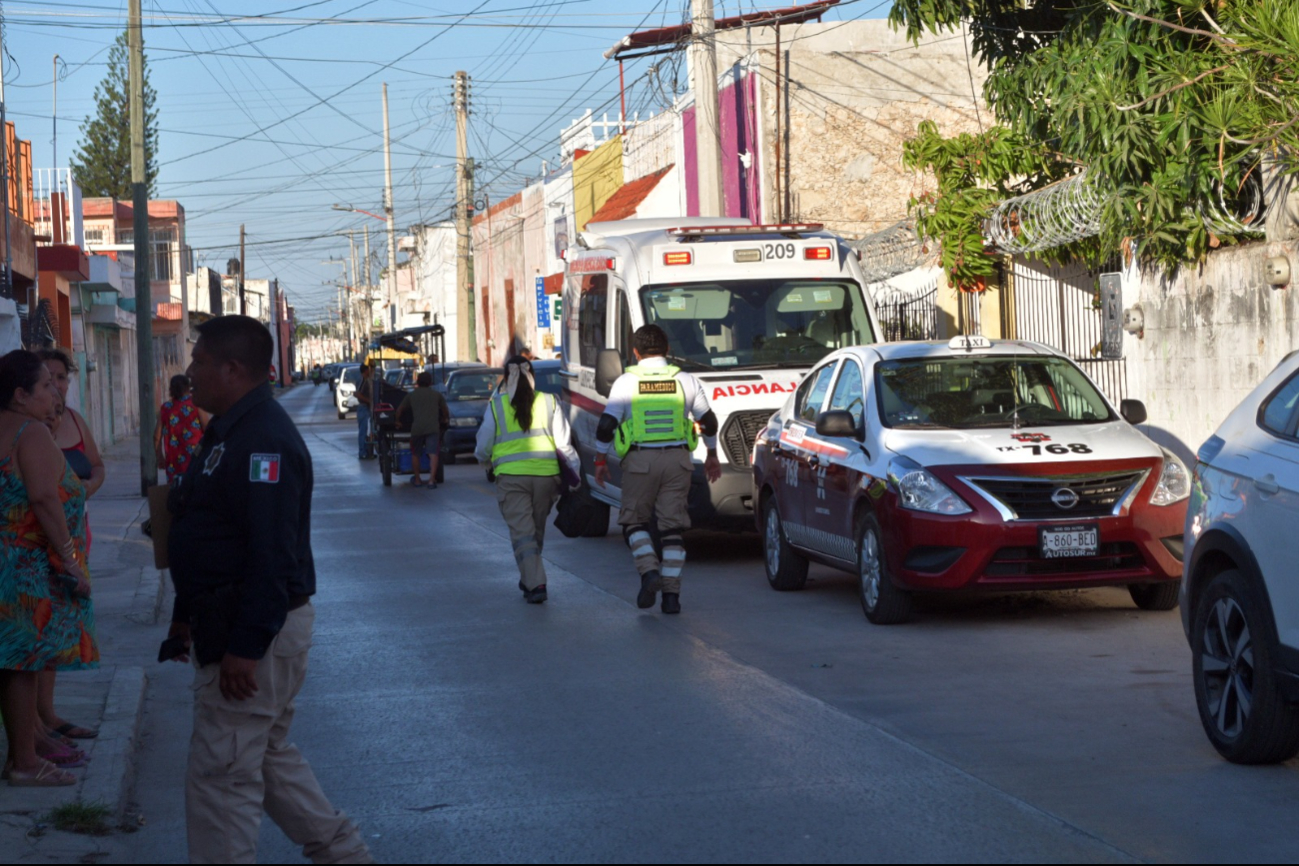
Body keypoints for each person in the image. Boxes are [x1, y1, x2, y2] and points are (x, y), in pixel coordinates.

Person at [164, 316, 372, 864]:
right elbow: (206, 530)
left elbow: (271, 555)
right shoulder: (228, 430)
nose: (191, 371)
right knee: (263, 755)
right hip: (228, 620)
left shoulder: (264, 441)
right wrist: (184, 615)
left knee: (222, 776)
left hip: (253, 629)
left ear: (232, 370)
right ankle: (343, 854)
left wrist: (247, 645)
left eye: (200, 361)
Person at [0, 350, 96, 787]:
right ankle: (24, 761)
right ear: (20, 395)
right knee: (20, 665)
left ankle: (28, 746)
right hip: (21, 569)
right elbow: (43, 498)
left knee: (11, 665)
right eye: (44, 386)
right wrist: (70, 559)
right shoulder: (29, 431)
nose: (54, 392)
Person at [594, 325, 721, 615]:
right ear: (667, 350)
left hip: (640, 462)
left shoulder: (626, 382)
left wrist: (600, 460)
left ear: (636, 352)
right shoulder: (686, 380)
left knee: (634, 523)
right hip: (678, 461)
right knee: (672, 528)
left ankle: (650, 572)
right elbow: (709, 422)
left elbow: (606, 426)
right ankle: (672, 598)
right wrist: (712, 454)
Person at [37, 349, 106, 747]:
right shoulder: (30, 429)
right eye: (48, 379)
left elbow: (96, 466)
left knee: (61, 630)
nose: (57, 385)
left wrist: (86, 490)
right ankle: (35, 726)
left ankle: (47, 715)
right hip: (42, 546)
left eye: (61, 377)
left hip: (77, 538)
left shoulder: (75, 421)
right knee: (37, 632)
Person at [475, 355, 580, 604]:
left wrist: (486, 462)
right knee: (534, 532)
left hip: (511, 479)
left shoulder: (497, 405)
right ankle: (529, 576)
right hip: (547, 478)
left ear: (506, 378)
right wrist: (574, 477)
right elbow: (564, 445)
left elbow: (483, 445)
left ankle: (536, 584)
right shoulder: (549, 401)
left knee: (523, 534)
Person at [397, 371, 449, 488]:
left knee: (416, 453)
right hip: (433, 428)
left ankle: (417, 479)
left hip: (417, 429)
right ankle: (431, 480)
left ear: (418, 382)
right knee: (433, 453)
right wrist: (445, 419)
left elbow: (400, 409)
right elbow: (445, 410)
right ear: (430, 382)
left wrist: (397, 421)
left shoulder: (412, 395)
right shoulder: (436, 395)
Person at [155, 374, 206, 483]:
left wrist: (160, 457)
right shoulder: (196, 404)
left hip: (173, 460)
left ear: (171, 390)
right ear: (188, 387)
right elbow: (208, 428)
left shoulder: (165, 408)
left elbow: (156, 436)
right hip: (196, 457)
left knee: (176, 490)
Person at [355, 364, 373, 460]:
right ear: (366, 370)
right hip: (363, 408)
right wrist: (368, 401)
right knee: (363, 431)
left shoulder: (367, 379)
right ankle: (362, 452)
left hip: (367, 408)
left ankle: (367, 451)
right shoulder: (362, 380)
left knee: (368, 431)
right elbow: (357, 394)